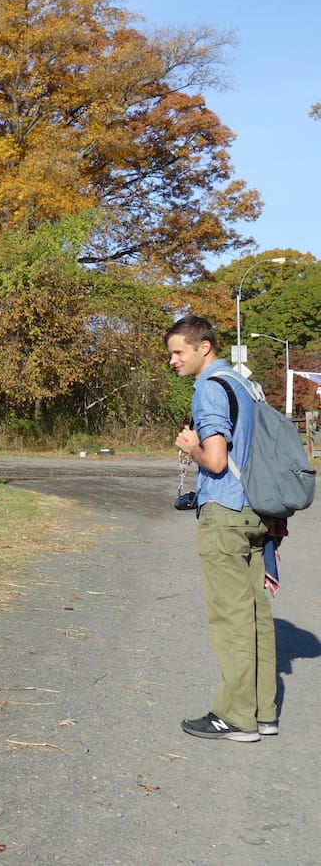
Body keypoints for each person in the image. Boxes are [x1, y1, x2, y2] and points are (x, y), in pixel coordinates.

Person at [166, 314, 276, 742]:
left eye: (178, 352)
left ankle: (235, 717)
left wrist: (191, 447)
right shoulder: (245, 384)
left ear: (203, 347)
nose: (173, 361)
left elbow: (214, 460)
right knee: (255, 616)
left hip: (225, 510)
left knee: (230, 618)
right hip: (256, 510)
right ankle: (262, 711)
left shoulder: (210, 388)